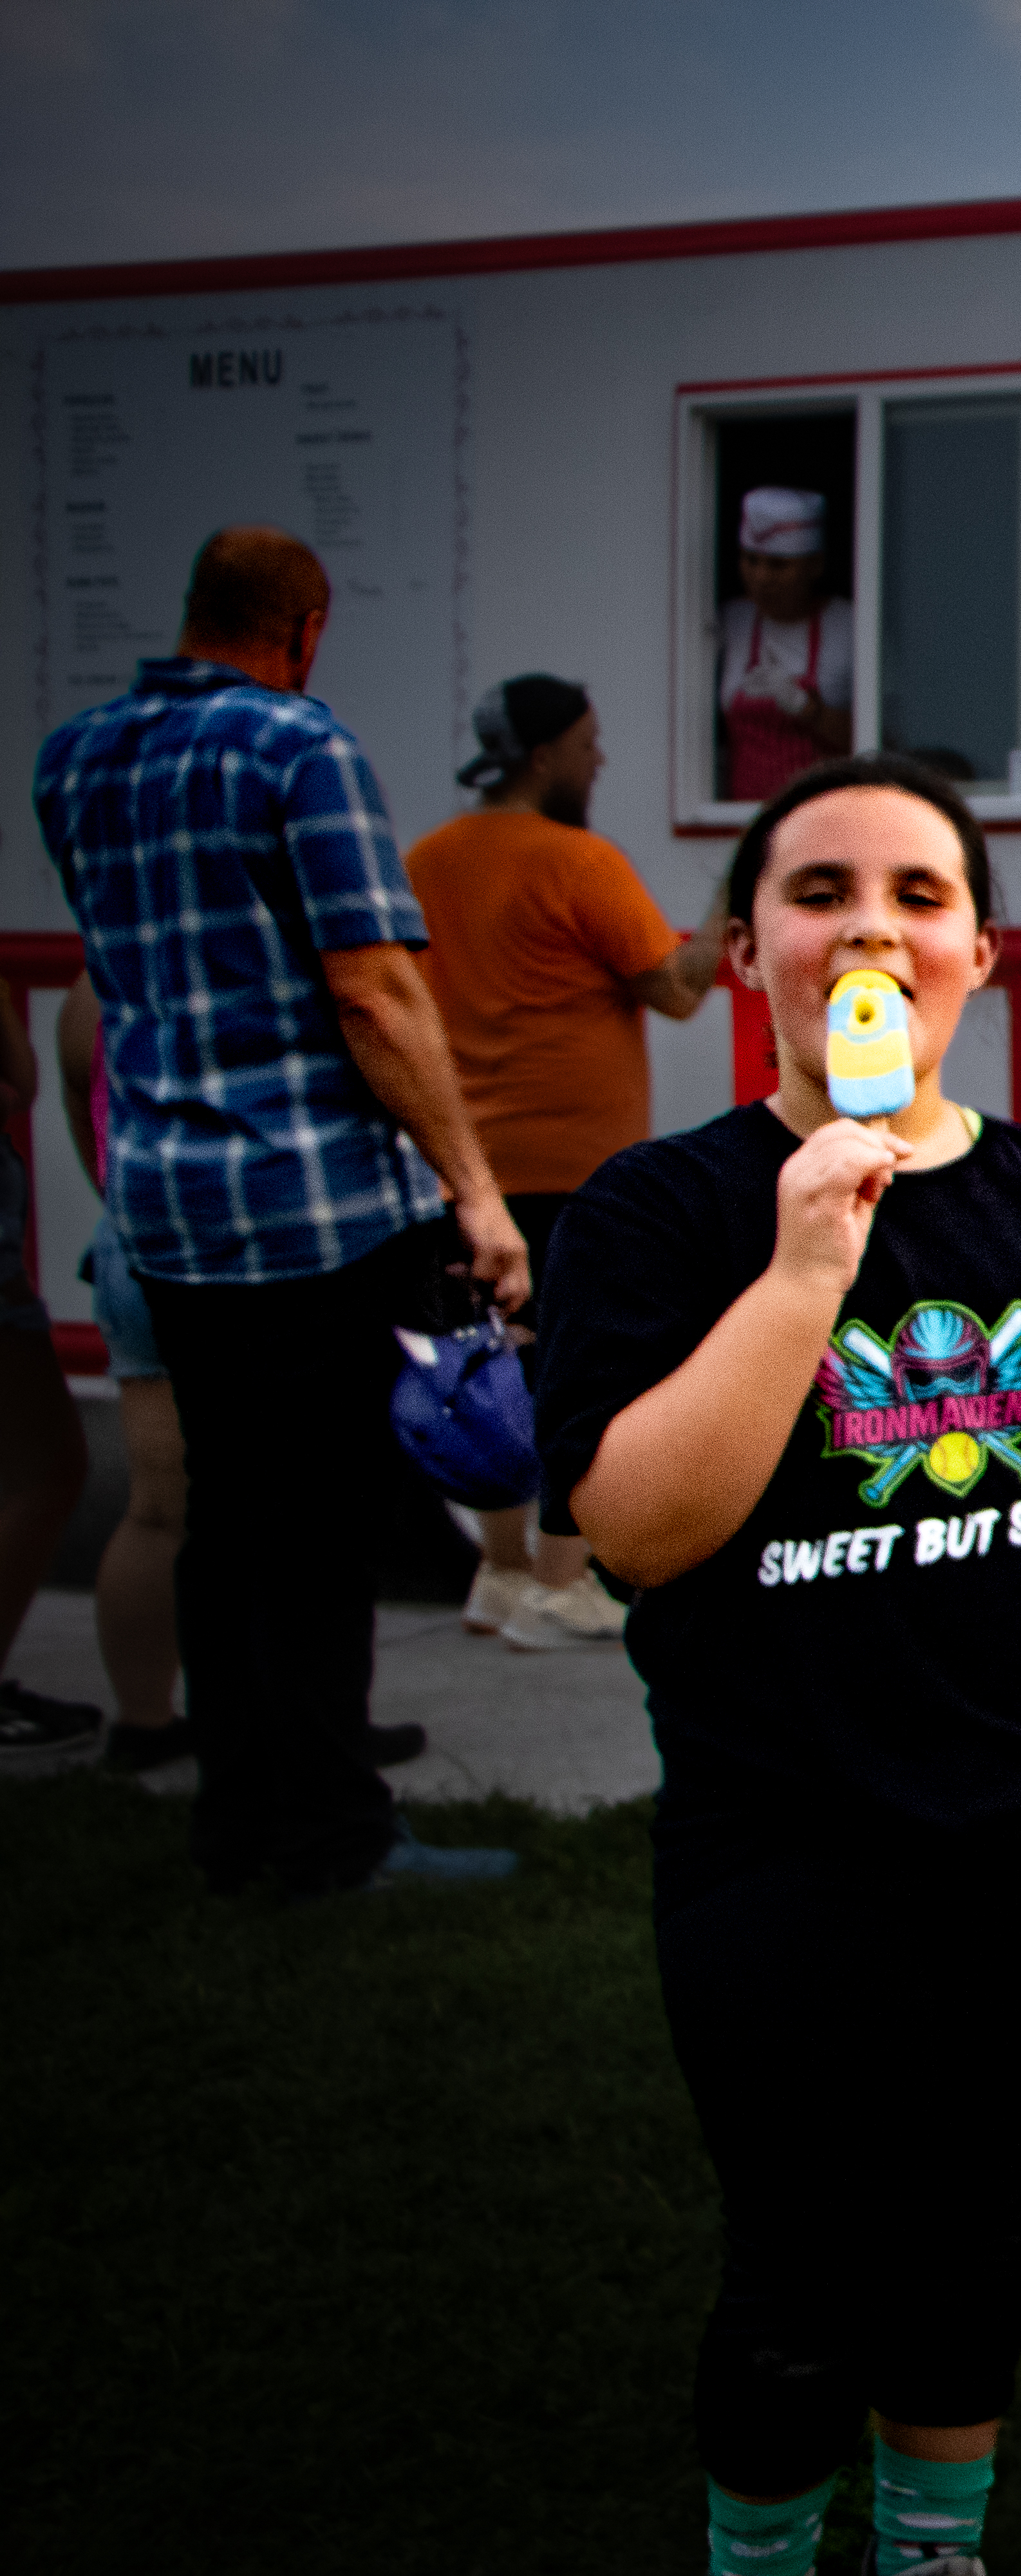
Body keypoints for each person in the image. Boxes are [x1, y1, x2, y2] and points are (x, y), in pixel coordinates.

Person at [537, 753, 1021, 2576]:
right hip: (785, 1839)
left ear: (981, 958)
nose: (872, 928)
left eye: (920, 896)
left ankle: (938, 2546)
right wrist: (802, 1276)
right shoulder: (655, 1215)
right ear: (747, 945)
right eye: (822, 891)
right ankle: (764, 2555)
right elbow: (634, 1530)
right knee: (796, 2252)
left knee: (962, 2221)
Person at [32, 525, 527, 1893]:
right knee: (316, 1538)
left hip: (170, 1207)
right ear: (304, 628)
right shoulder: (297, 748)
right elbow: (373, 989)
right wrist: (473, 1187)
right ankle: (327, 1836)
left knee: (228, 1519)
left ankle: (239, 1813)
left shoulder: (71, 757)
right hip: (314, 1207)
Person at [408, 672, 727, 1649]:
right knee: (576, 1370)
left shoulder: (427, 860)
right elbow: (674, 988)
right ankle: (561, 1580)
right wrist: (728, 907)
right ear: (545, 757)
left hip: (462, 1164)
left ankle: (499, 1576)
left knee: (485, 1370)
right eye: (589, 745)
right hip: (571, 1163)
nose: (600, 761)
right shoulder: (579, 863)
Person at [53, 976, 187, 1778]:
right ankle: (297, 1729)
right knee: (286, 1516)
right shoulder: (260, 955)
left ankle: (145, 1721)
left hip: (134, 1238)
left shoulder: (89, 992)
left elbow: (84, 1119)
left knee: (158, 1513)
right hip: (254, 1250)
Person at [0, 983, 102, 1776]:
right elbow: (20, 1078)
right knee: (48, 1466)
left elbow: (59, 1089)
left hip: (136, 1241)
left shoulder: (87, 997)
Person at [717, 488, 857, 804]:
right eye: (750, 560)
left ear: (815, 566)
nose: (761, 577)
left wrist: (805, 707)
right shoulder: (729, 624)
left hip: (823, 824)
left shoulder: (849, 627)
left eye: (778, 565)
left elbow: (879, 741)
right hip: (743, 822)